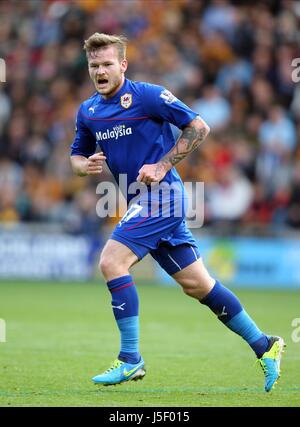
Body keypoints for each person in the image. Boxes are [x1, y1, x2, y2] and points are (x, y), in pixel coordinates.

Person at [70, 33, 285, 392]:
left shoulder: (148, 96)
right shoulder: (88, 111)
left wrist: (161, 164)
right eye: (94, 65)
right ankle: (265, 345)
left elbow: (199, 126)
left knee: (111, 262)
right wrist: (83, 166)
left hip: (163, 196)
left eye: (108, 63)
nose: (100, 71)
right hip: (142, 202)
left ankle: (130, 359)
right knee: (198, 285)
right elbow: (76, 155)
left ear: (123, 65)